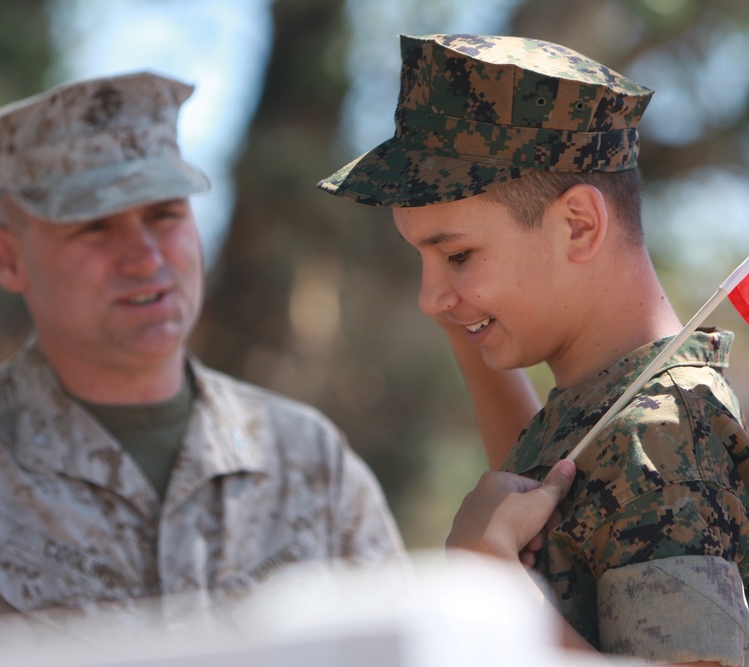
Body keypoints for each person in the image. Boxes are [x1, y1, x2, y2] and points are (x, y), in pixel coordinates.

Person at [0, 72, 410, 637]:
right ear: (8, 256)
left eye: (165, 215)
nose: (144, 255)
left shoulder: (307, 461)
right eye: (94, 223)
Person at [319, 34, 749, 666]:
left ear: (578, 225)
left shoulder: (661, 429)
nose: (429, 295)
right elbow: (554, 494)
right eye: (423, 260)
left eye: (457, 254)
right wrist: (465, 315)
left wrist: (493, 587)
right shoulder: (606, 405)